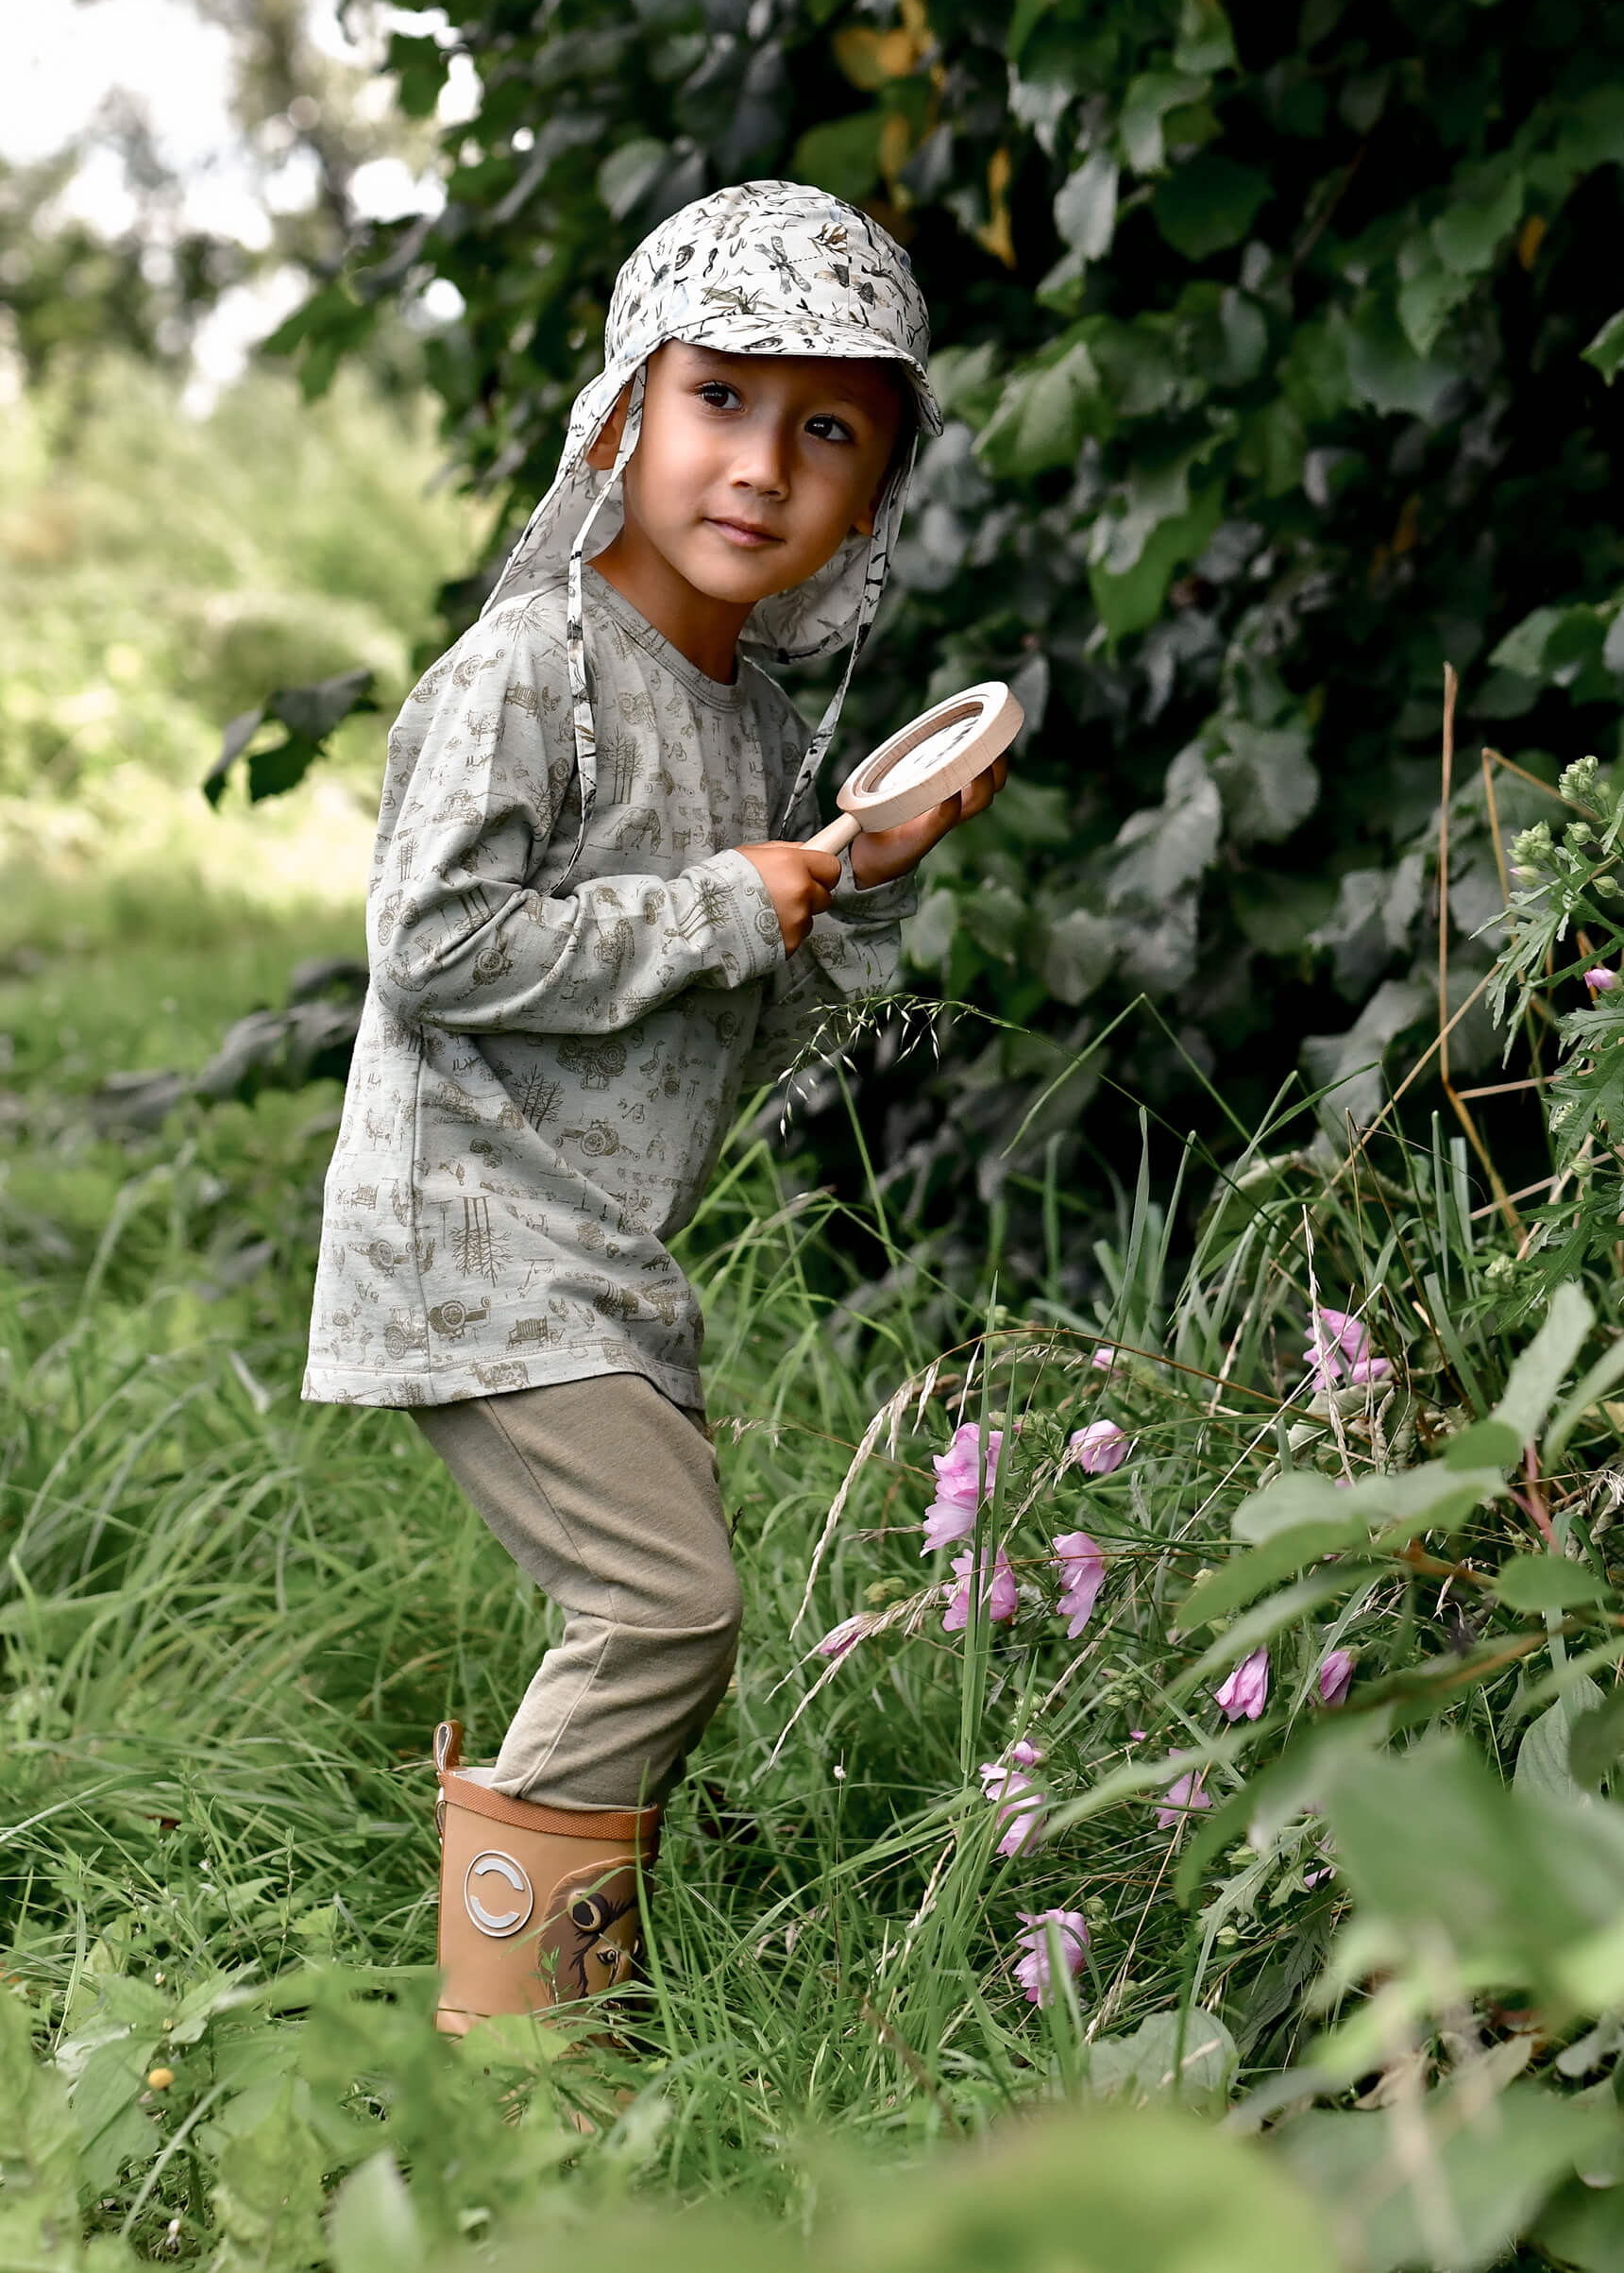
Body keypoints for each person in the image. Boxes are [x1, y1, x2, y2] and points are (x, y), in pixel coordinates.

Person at [302, 179, 1006, 2029]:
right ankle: (513, 2046)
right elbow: (433, 944)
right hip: (471, 1232)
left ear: (876, 492)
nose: (763, 465)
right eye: (721, 398)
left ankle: (572, 1995)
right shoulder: (530, 672)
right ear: (622, 408)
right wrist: (716, 904)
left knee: (664, 1620)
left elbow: (761, 1013)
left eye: (828, 431)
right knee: (663, 1608)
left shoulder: (756, 726)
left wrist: (861, 876)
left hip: (599, 1254)